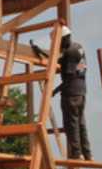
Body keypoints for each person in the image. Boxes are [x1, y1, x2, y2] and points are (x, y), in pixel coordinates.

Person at [32, 23, 91, 160]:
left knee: (71, 125)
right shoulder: (78, 47)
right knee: (80, 123)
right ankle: (87, 154)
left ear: (63, 39)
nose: (57, 45)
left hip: (71, 94)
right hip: (81, 92)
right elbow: (59, 60)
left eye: (58, 42)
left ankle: (76, 154)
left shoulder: (70, 53)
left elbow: (68, 78)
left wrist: (54, 91)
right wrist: (41, 51)